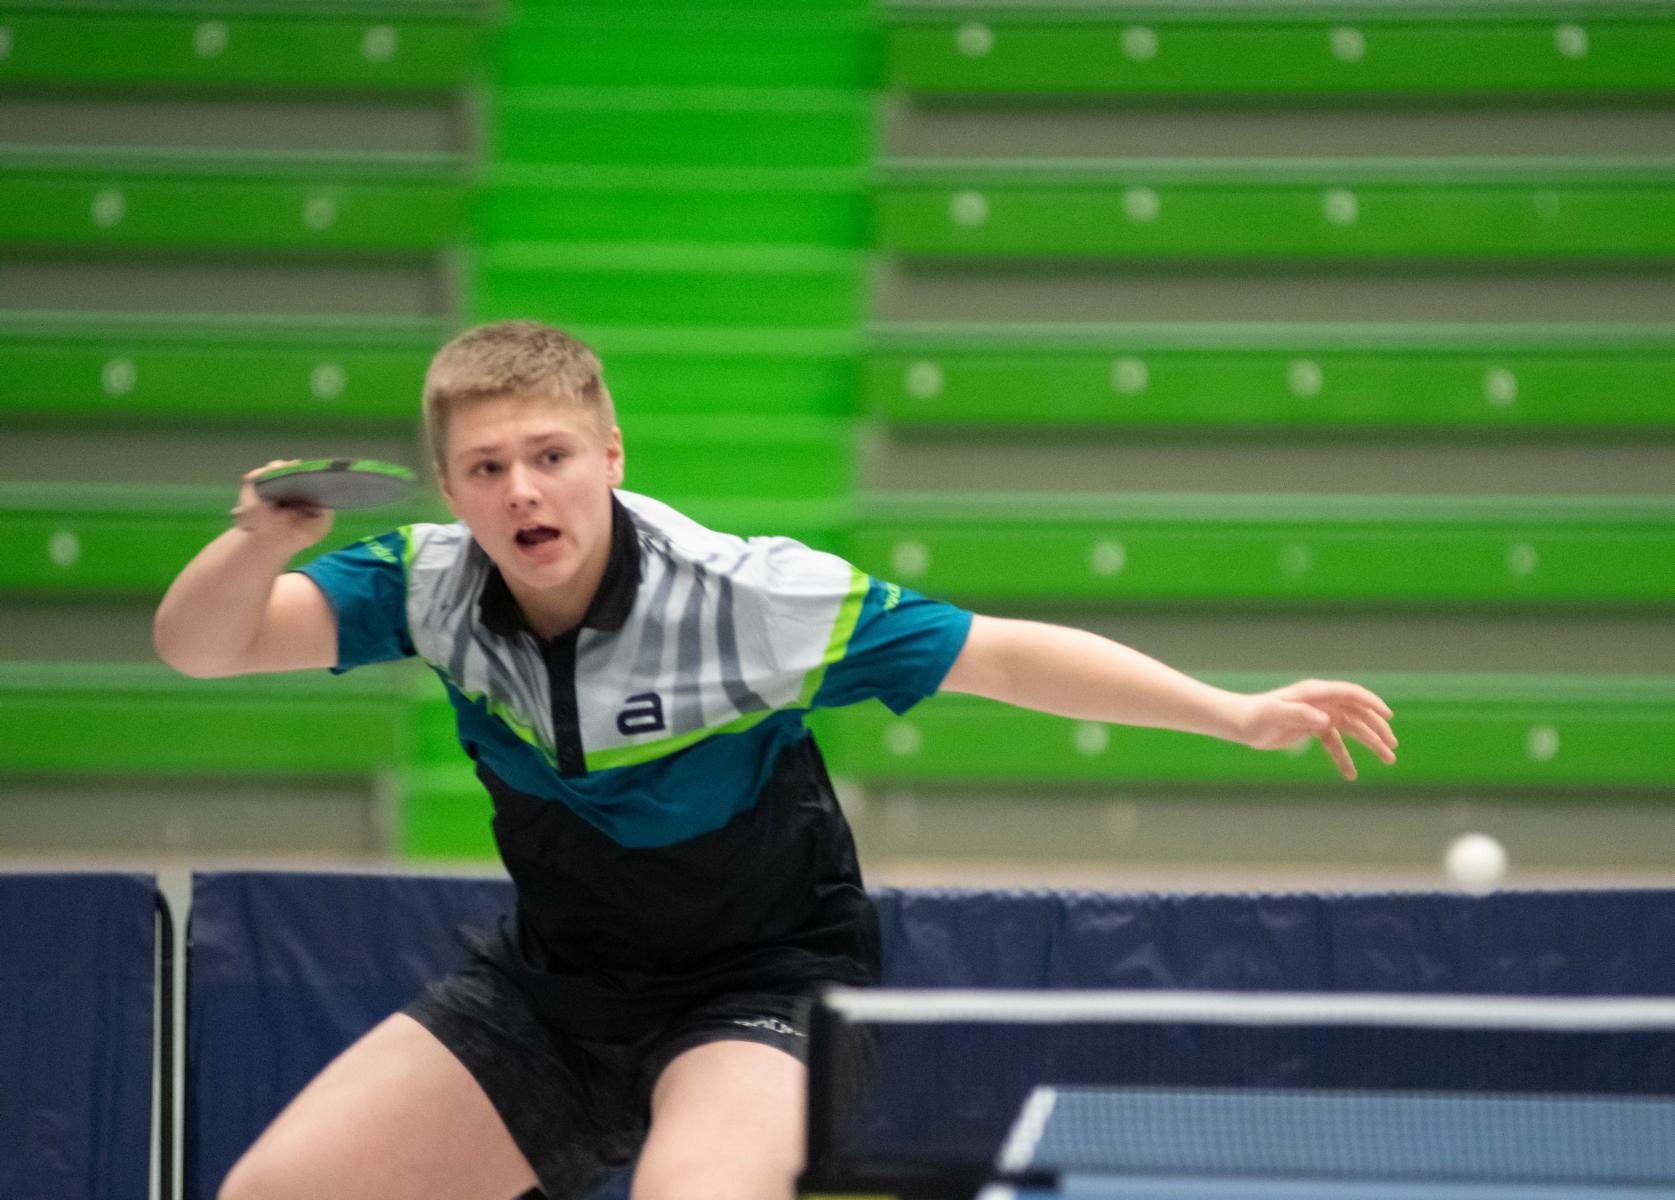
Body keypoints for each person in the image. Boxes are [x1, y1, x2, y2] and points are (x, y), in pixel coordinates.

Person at [153, 320, 1398, 1200]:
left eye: (551, 455)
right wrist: (258, 540)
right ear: (449, 486)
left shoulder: (748, 600)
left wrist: (1232, 713)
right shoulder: (423, 587)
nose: (523, 491)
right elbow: (202, 648)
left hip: (763, 986)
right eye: (488, 469)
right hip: (556, 990)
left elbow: (1003, 655)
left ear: (611, 456)